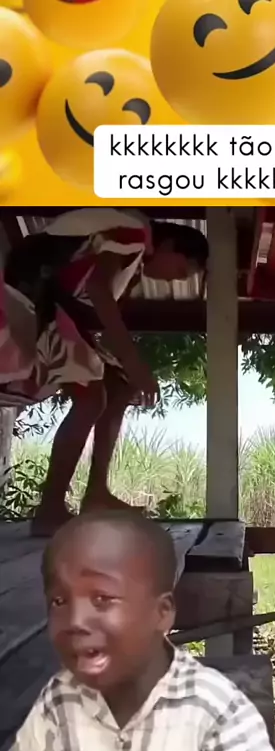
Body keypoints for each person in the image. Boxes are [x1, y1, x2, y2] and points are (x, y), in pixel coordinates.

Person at [7, 511, 275, 751]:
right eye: (59, 601)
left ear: (161, 613)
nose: (76, 621)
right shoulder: (58, 702)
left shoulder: (216, 711)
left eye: (102, 599)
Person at [0, 209, 209, 536]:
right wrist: (133, 361)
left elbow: (99, 310)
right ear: (169, 245)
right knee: (91, 397)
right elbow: (98, 291)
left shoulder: (132, 262)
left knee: (118, 386)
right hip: (34, 293)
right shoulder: (134, 232)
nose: (172, 280)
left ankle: (96, 494)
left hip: (50, 300)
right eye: (180, 270)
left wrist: (123, 366)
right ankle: (50, 509)